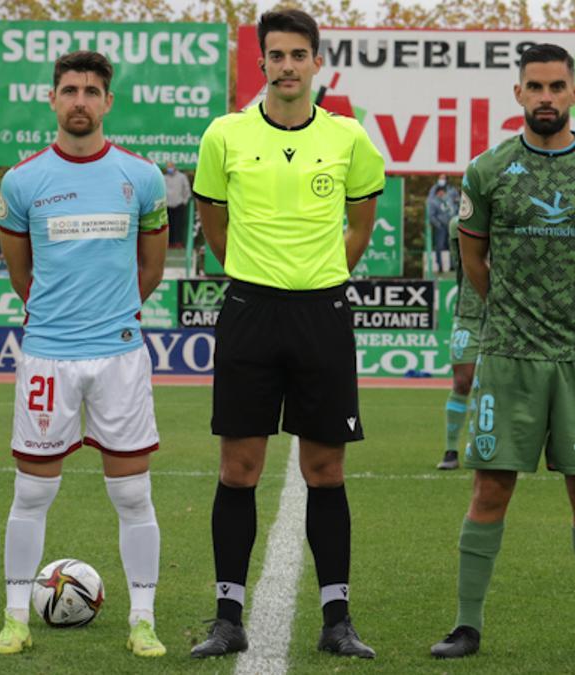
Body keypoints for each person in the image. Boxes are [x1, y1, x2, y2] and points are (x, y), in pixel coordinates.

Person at [428, 43, 575, 662]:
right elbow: (473, 254)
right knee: (490, 491)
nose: (546, 96)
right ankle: (466, 626)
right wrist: (504, 312)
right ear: (518, 94)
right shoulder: (488, 170)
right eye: (535, 86)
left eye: (557, 86)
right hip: (509, 357)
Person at [190, 8, 385, 660]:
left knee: (325, 469)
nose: (288, 66)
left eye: (299, 54)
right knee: (238, 467)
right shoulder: (225, 135)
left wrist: (318, 276)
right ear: (262, 62)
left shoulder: (350, 138)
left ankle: (338, 619)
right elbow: (214, 223)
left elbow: (359, 226)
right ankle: (227, 617)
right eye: (276, 55)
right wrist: (256, 273)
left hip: (321, 314)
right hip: (249, 310)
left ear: (316, 61)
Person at [0, 50, 170, 658]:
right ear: (53, 99)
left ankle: (142, 620)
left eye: (92, 91)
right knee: (32, 493)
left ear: (108, 101)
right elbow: (23, 276)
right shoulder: (22, 181)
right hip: (48, 357)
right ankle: (15, 618)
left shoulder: (141, 178)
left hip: (119, 356)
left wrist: (110, 314)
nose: (81, 101)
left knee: (133, 494)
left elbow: (151, 267)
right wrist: (61, 320)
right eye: (70, 90)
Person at [438, 214, 484, 470]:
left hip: (501, 317)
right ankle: (451, 448)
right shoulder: (464, 226)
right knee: (463, 381)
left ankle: (479, 446)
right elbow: (456, 223)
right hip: (468, 315)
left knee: (489, 385)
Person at [428, 186, 457, 271]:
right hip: (441, 227)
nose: (442, 194)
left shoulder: (449, 200)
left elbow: (454, 210)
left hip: (450, 226)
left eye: (443, 192)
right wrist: (438, 224)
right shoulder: (433, 202)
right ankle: (440, 265)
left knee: (452, 245)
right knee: (439, 246)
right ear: (437, 193)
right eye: (440, 192)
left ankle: (452, 265)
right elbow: (431, 216)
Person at [163, 161, 191, 248]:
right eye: (168, 167)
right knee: (169, 225)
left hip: (179, 204)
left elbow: (187, 190)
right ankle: (169, 243)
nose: (170, 169)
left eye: (171, 167)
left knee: (178, 225)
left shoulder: (182, 177)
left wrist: (184, 201)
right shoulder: (164, 178)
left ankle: (178, 242)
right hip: (167, 205)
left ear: (174, 167)